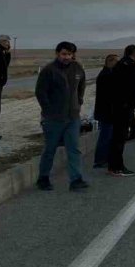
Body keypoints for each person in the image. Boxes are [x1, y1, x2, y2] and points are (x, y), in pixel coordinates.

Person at [34, 42, 88, 191]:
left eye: (70, 54)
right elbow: (40, 92)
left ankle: (76, 180)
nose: (67, 57)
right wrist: (48, 110)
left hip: (73, 117)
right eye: (64, 54)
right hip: (53, 119)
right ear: (58, 54)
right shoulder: (49, 71)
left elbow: (81, 85)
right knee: (50, 149)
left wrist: (79, 101)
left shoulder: (77, 68)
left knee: (74, 149)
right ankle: (43, 178)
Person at [108, 44, 135, 177]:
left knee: (117, 138)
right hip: (123, 107)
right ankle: (117, 167)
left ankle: (113, 166)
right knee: (119, 138)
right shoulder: (129, 66)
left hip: (118, 106)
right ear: (134, 53)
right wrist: (132, 102)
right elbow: (131, 87)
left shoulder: (119, 66)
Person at [93, 53, 118, 168]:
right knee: (105, 136)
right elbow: (109, 95)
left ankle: (105, 158)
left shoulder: (108, 74)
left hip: (107, 110)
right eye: (115, 62)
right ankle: (100, 159)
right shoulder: (106, 75)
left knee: (108, 135)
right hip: (106, 111)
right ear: (110, 62)